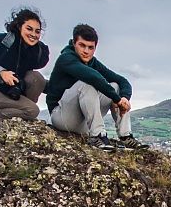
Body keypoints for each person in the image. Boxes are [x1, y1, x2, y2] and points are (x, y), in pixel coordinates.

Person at [45, 23, 145, 151]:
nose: (86, 51)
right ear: (74, 43)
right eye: (82, 45)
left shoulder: (92, 62)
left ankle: (126, 136)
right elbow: (92, 77)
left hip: (83, 123)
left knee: (115, 86)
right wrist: (117, 100)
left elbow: (121, 80)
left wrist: (124, 98)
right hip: (61, 118)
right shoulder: (66, 59)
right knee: (87, 84)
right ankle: (97, 136)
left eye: (90, 47)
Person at [0, 8, 50, 120]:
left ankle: (21, 112)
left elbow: (36, 80)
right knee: (32, 110)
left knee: (37, 78)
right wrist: (0, 72)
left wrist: (63, 87)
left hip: (9, 91)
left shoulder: (35, 51)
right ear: (19, 27)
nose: (33, 34)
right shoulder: (0, 41)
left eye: (37, 31)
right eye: (29, 29)